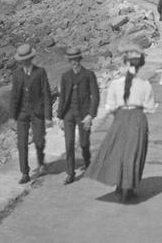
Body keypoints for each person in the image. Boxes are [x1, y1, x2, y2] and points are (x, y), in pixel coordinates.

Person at [85, 44, 155, 202]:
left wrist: (119, 115)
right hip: (138, 118)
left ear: (126, 64)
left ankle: (119, 185)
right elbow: (150, 108)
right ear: (139, 67)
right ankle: (128, 187)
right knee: (134, 153)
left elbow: (110, 106)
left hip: (121, 118)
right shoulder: (145, 84)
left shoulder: (116, 84)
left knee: (118, 152)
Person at [9, 44, 52, 184]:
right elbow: (14, 96)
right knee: (22, 144)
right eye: (22, 60)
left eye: (27, 59)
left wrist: (48, 116)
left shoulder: (40, 72)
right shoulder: (16, 74)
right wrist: (12, 116)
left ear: (31, 58)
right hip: (22, 114)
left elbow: (46, 94)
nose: (25, 62)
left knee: (39, 140)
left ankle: (41, 162)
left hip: (37, 113)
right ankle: (25, 173)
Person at [57, 47, 100, 185]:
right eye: (71, 60)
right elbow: (62, 97)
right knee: (69, 144)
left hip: (84, 114)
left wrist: (91, 115)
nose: (74, 63)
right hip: (69, 114)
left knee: (84, 143)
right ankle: (70, 173)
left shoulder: (89, 75)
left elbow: (96, 96)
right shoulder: (65, 76)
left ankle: (88, 162)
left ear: (79, 60)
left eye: (76, 60)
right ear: (69, 61)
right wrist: (59, 117)